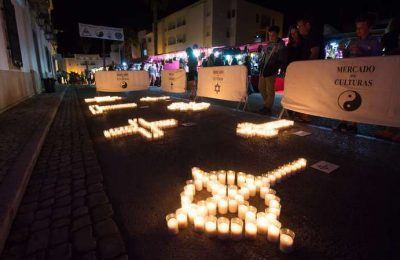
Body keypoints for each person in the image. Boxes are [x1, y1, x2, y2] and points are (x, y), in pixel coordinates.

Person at [335, 14, 382, 133]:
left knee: (357, 99)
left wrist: (361, 52)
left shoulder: (374, 42)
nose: (358, 30)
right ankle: (343, 122)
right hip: (350, 75)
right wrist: (344, 51)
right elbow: (347, 58)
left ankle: (354, 124)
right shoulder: (353, 41)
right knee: (345, 95)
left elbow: (378, 60)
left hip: (364, 77)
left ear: (369, 28)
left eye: (361, 28)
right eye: (357, 28)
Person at [258, 25, 287, 115]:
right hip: (263, 70)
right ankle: (267, 104)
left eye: (273, 35)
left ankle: (267, 107)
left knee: (270, 90)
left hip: (271, 70)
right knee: (261, 88)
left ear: (277, 34)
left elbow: (281, 59)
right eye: (269, 35)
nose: (271, 37)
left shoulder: (281, 45)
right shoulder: (269, 44)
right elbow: (264, 56)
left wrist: (276, 68)